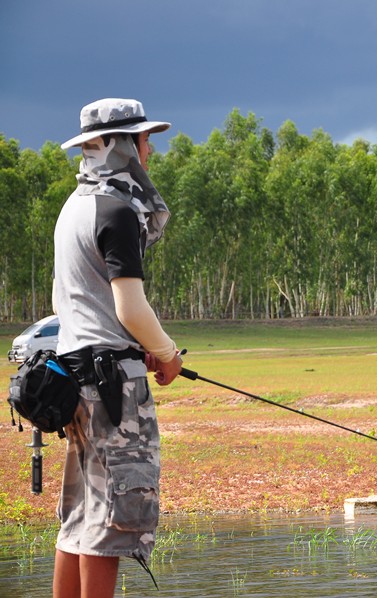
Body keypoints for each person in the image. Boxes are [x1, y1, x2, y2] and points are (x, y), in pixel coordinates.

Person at [52, 98, 183, 598]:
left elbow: (84, 307)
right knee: (111, 524)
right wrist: (166, 353)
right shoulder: (116, 208)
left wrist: (138, 346)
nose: (150, 150)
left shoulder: (75, 205)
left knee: (82, 517)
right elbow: (129, 307)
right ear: (121, 146)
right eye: (144, 139)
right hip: (112, 389)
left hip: (76, 379)